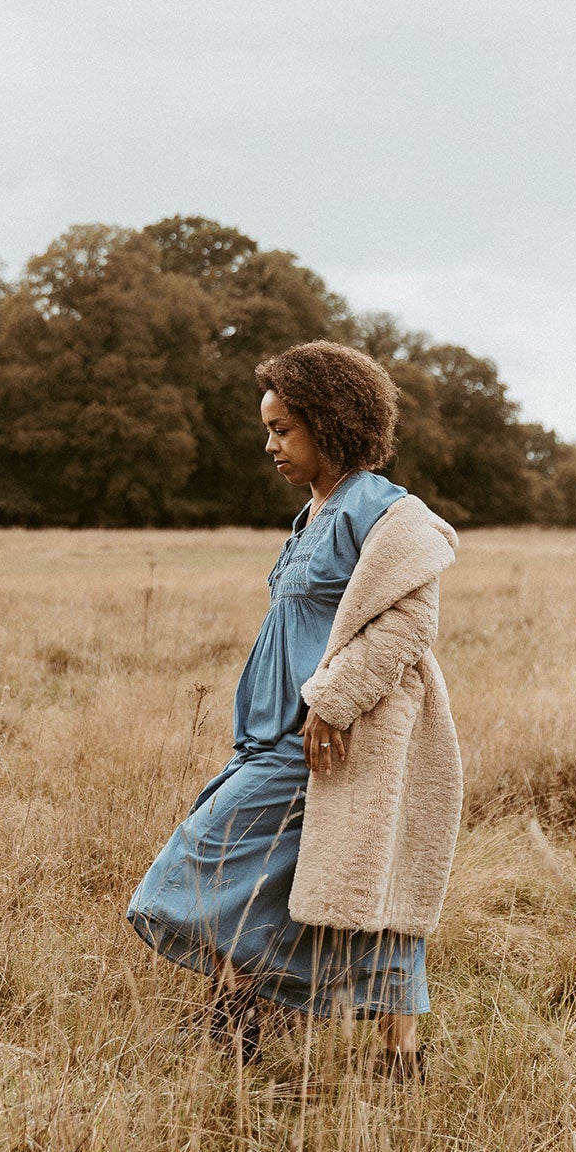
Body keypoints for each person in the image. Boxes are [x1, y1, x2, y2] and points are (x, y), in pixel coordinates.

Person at [126, 341, 463, 1079]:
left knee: (221, 862)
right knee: (293, 878)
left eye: (284, 429)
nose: (269, 445)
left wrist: (333, 703)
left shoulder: (382, 509)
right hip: (273, 739)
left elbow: (410, 622)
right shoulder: (314, 514)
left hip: (331, 738)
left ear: (330, 423)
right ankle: (241, 1016)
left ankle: (391, 1055)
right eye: (269, 429)